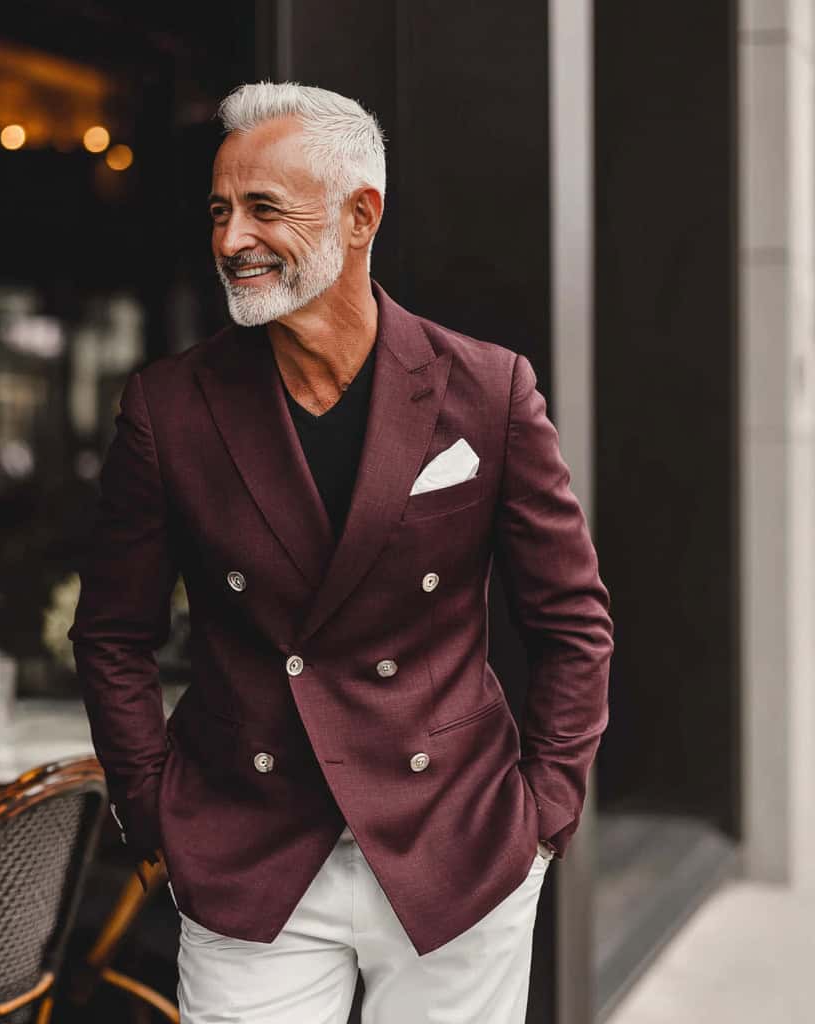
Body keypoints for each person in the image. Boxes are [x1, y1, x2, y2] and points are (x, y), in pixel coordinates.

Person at [69, 81, 614, 1024]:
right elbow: (112, 632)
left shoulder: (487, 390)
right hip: (250, 848)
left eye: (263, 208)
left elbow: (573, 623)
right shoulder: (169, 408)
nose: (229, 238)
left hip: (457, 844)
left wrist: (545, 814)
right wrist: (155, 808)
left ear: (361, 215)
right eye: (219, 210)